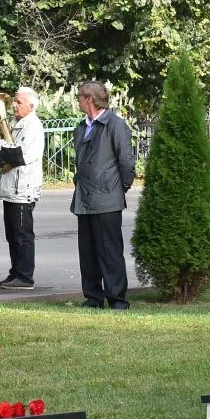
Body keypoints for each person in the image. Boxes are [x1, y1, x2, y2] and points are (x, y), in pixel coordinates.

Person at [72, 80, 136, 309]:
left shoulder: (115, 125)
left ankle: (117, 298)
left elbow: (126, 162)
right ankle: (93, 296)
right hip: (84, 198)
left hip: (107, 199)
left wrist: (121, 187)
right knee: (87, 252)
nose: (77, 100)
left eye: (79, 96)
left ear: (89, 99)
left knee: (109, 251)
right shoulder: (82, 127)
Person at [0, 87, 45, 290]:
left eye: (19, 102)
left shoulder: (33, 127)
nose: (14, 105)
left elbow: (20, 156)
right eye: (15, 101)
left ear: (31, 106)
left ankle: (25, 276)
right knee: (12, 234)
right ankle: (16, 272)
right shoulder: (15, 123)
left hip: (23, 188)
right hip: (12, 188)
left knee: (22, 234)